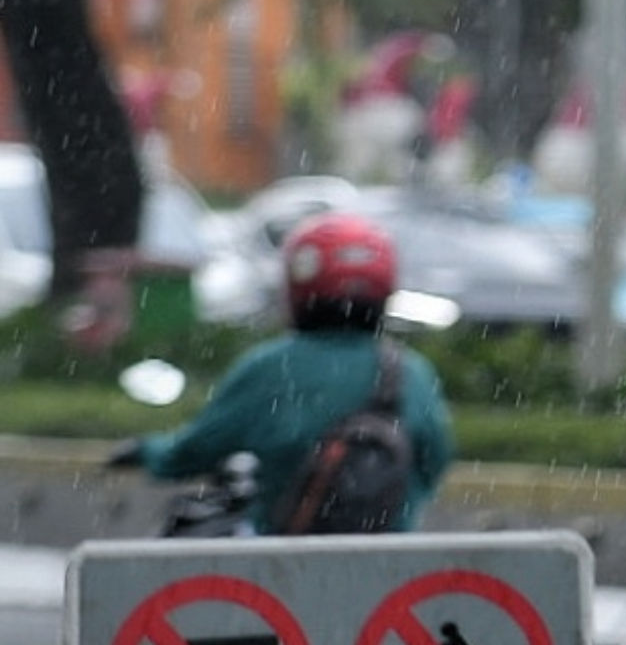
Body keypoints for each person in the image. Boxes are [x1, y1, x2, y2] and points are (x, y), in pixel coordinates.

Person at [114, 212, 454, 533]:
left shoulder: (271, 367)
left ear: (297, 287)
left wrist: (147, 451)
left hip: (279, 557)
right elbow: (435, 460)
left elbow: (191, 453)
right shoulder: (412, 372)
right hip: (389, 561)